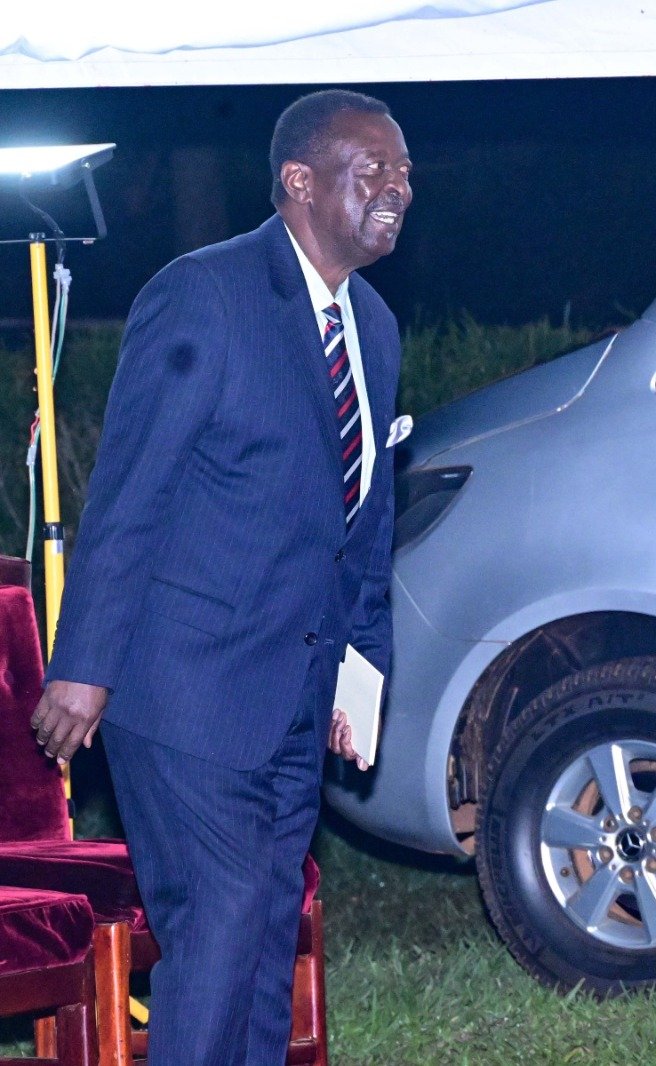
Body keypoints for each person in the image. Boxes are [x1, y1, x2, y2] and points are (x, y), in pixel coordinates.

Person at [30, 89, 412, 1063]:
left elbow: (363, 523)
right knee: (221, 922)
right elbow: (132, 490)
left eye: (405, 173)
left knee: (257, 940)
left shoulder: (372, 327)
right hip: (187, 687)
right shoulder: (206, 293)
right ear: (297, 182)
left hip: (292, 695)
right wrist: (84, 665)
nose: (397, 189)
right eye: (371, 168)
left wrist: (360, 672)